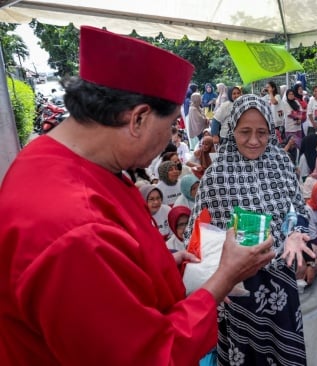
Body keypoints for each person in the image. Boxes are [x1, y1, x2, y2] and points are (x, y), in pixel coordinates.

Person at [0, 26, 275, 365]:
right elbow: (148, 356)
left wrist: (159, 269)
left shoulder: (50, 157)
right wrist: (224, 278)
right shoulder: (76, 229)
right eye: (172, 124)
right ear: (139, 118)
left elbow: (110, 280)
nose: (173, 136)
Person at [187, 94, 314, 365]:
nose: (254, 140)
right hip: (235, 285)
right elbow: (198, 230)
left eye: (262, 132)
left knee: (282, 351)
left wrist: (295, 234)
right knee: (242, 354)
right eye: (245, 131)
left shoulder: (281, 163)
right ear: (232, 130)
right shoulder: (216, 174)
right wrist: (211, 282)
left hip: (280, 278)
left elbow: (298, 208)